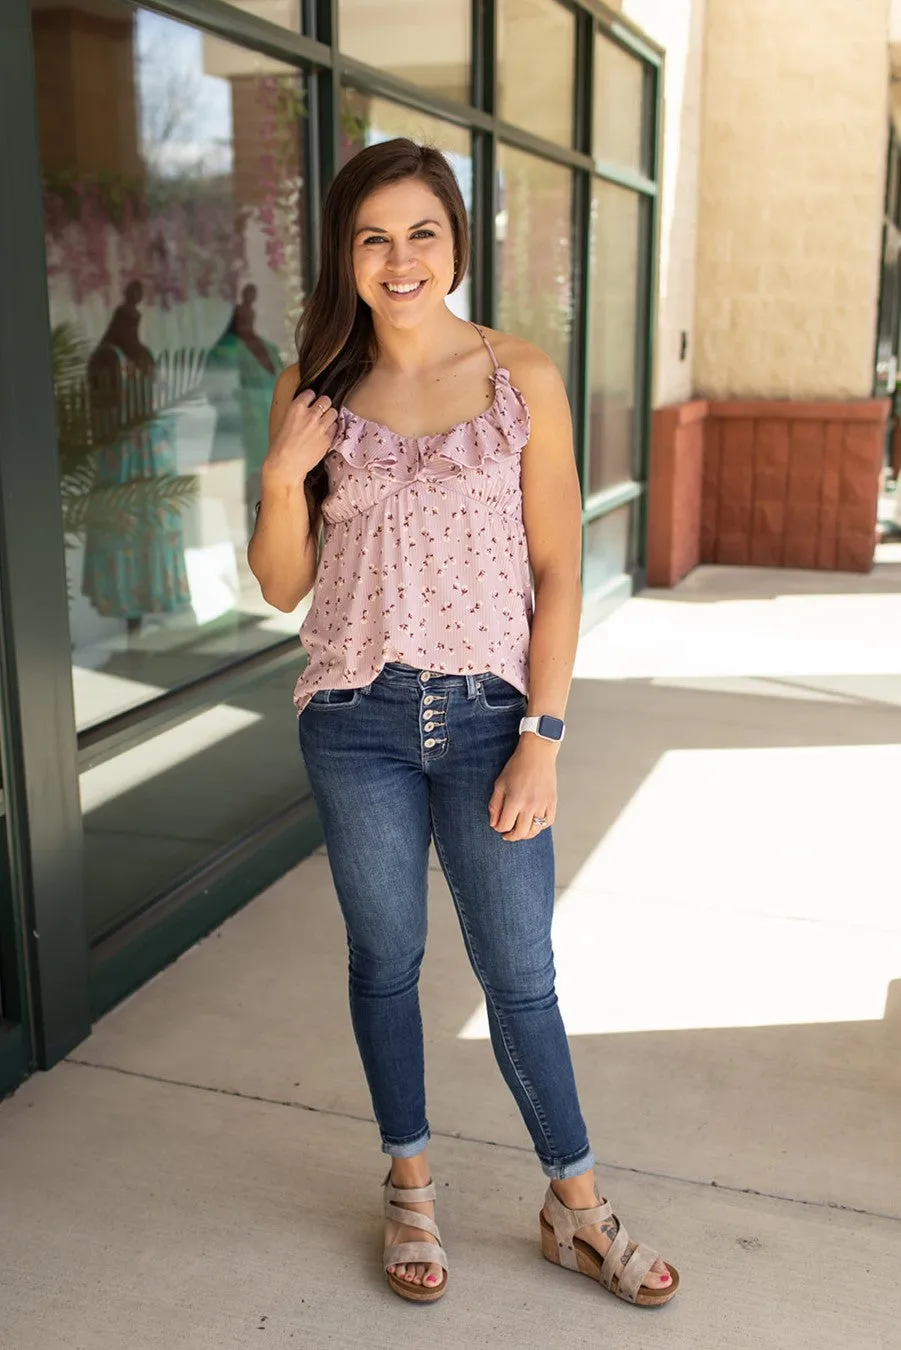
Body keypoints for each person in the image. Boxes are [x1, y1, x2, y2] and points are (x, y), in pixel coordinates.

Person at [248, 138, 678, 1309]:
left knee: (519, 972)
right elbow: (282, 585)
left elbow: (556, 567)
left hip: (491, 718)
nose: (399, 259)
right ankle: (409, 1186)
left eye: (421, 233)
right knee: (385, 963)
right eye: (373, 236)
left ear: (455, 242)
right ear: (345, 253)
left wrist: (543, 733)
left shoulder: (518, 376)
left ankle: (575, 1208)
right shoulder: (316, 386)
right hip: (352, 717)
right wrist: (287, 475)